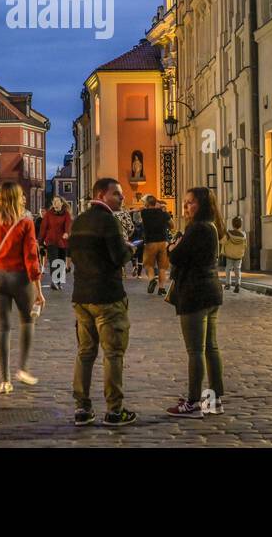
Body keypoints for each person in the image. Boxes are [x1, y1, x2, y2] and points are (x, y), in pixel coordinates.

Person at [68, 177, 136, 427]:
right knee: (113, 353)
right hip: (107, 296)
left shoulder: (79, 221)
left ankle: (82, 408)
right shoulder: (110, 221)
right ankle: (115, 410)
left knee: (85, 352)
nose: (122, 198)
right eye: (117, 194)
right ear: (101, 194)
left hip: (81, 297)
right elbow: (118, 257)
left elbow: (73, 254)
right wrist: (130, 249)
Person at [0, 180, 44, 394]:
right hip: (20, 278)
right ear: (17, 198)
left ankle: (4, 380)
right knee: (27, 320)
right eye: (22, 195)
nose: (24, 198)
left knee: (2, 327)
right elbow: (31, 257)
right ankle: (22, 369)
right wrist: (39, 290)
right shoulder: (25, 222)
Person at [165, 187, 226, 418]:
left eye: (190, 202)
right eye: (185, 202)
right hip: (211, 291)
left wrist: (172, 246)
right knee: (210, 347)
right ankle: (214, 399)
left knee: (195, 350)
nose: (186, 206)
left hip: (195, 292)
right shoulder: (211, 227)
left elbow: (177, 256)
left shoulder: (197, 228)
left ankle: (192, 402)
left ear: (201, 204)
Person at [140, 195, 174, 296]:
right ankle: (162, 289)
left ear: (146, 204)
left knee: (148, 265)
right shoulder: (163, 213)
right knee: (162, 267)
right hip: (163, 242)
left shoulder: (144, 213)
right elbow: (172, 225)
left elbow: (138, 211)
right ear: (155, 203)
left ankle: (151, 280)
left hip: (150, 242)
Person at [38, 198, 73, 290]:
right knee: (54, 260)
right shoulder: (48, 214)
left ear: (61, 203)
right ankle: (54, 281)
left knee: (61, 261)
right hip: (51, 240)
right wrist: (40, 242)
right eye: (53, 201)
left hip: (62, 241)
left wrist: (66, 233)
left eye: (57, 201)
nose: (55, 203)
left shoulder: (66, 214)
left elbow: (68, 225)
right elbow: (43, 228)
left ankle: (59, 282)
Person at [221, 217, 247, 294]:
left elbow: (223, 241)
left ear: (232, 225)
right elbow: (245, 245)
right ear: (241, 225)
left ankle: (228, 284)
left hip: (230, 255)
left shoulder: (229, 234)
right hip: (239, 255)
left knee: (228, 269)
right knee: (237, 270)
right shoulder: (243, 235)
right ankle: (237, 284)